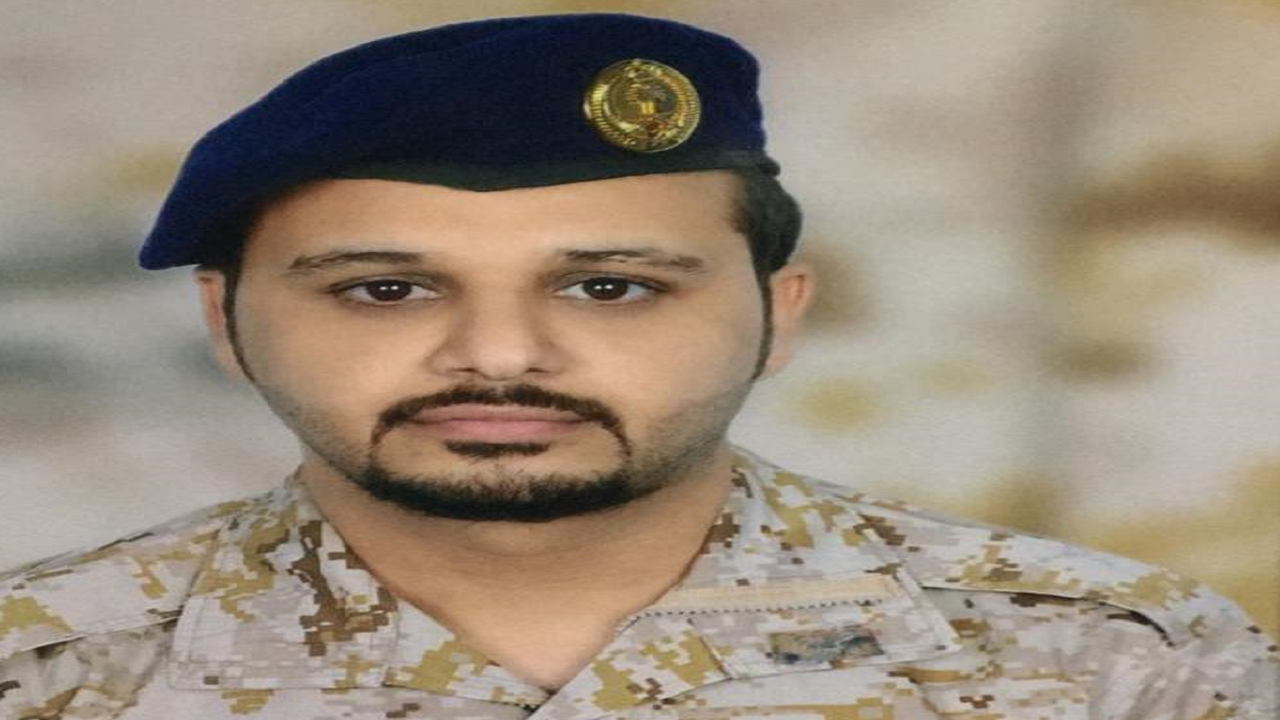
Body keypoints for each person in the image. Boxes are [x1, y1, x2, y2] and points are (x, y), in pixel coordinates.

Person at [0, 13, 1274, 720]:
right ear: (225, 322)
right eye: (385, 289)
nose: (500, 353)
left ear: (777, 316)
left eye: (608, 287)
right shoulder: (43, 668)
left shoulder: (1117, 664)